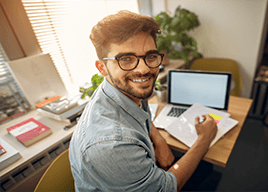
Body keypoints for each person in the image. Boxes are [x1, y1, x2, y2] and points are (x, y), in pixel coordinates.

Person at [69, 10, 218, 192]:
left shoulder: (124, 91)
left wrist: (159, 140)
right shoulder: (111, 146)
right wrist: (204, 138)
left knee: (207, 169)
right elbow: (166, 188)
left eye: (150, 56)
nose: (143, 69)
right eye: (126, 59)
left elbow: (139, 114)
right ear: (102, 68)